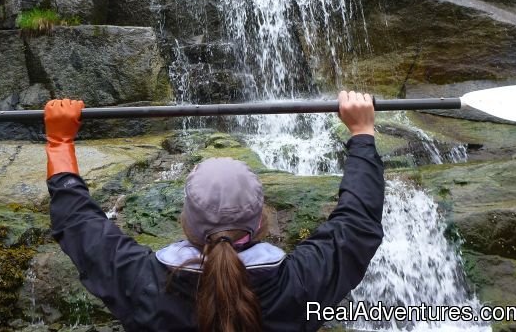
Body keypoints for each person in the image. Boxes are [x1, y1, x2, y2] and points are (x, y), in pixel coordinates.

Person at [45, 91, 385, 332]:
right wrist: (362, 133)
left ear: (186, 221)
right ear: (260, 219)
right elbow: (357, 225)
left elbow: (78, 222)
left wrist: (60, 142)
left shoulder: (145, 284)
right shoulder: (298, 285)